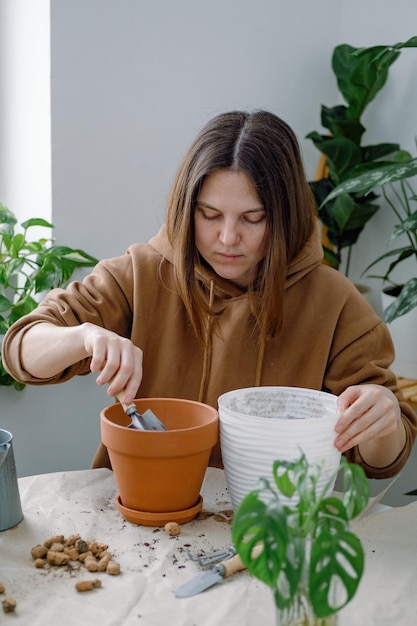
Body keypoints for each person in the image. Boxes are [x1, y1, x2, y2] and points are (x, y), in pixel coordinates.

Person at [3, 110, 416, 475]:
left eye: (253, 218)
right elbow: (22, 351)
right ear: (188, 208)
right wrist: (84, 337)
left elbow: (383, 461)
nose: (228, 237)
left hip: (272, 531)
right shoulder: (140, 274)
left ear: (285, 215)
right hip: (138, 522)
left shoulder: (335, 302)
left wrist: (384, 418)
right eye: (210, 215)